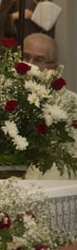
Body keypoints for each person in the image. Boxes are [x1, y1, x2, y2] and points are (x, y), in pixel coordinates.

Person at [22, 33, 76, 180]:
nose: (30, 64)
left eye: (39, 59)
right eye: (26, 57)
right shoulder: (5, 98)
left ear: (53, 67)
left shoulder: (72, 104)